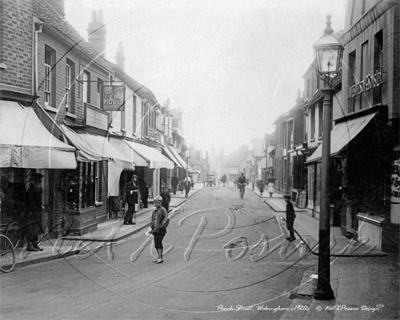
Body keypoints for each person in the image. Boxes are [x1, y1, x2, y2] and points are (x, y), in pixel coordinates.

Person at [25, 173, 44, 252]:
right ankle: (30, 244)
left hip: (37, 211)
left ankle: (35, 244)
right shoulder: (32, 189)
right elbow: (30, 201)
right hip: (32, 212)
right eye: (39, 180)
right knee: (31, 228)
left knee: (36, 228)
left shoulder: (38, 188)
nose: (40, 182)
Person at [149, 195, 169, 264]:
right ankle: (159, 256)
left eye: (158, 203)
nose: (157, 204)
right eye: (156, 203)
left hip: (161, 230)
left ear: (161, 203)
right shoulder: (154, 211)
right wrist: (150, 227)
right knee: (156, 244)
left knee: (159, 243)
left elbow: (166, 218)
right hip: (155, 230)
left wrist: (162, 226)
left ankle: (160, 257)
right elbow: (152, 220)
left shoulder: (163, 210)